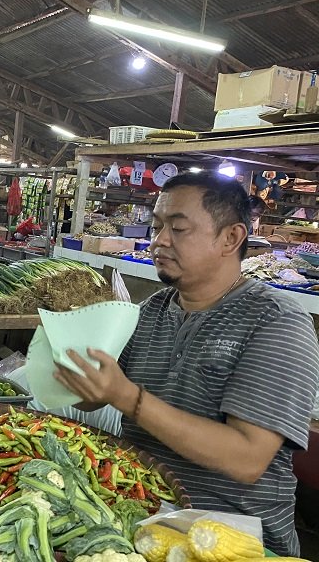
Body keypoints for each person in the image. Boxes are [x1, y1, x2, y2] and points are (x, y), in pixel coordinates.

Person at [53, 172, 319, 557]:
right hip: (138, 515)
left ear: (231, 238)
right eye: (157, 226)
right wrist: (77, 373)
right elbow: (96, 398)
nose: (158, 240)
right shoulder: (150, 311)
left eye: (178, 229)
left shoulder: (276, 321)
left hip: (226, 537)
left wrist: (129, 398)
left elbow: (247, 459)